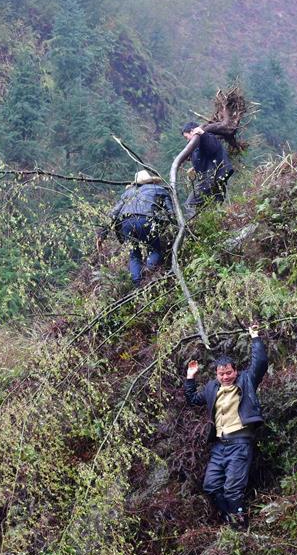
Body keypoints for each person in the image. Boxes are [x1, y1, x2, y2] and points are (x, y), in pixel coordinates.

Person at [184, 324, 268, 529]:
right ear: (216, 374)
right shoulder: (213, 388)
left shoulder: (246, 380)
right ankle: (229, 519)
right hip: (219, 445)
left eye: (228, 373)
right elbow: (194, 399)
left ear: (235, 371)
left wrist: (255, 336)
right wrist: (190, 377)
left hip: (240, 443)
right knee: (211, 486)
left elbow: (261, 363)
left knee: (232, 488)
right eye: (221, 374)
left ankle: (240, 527)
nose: (225, 377)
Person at [96, 169, 174, 287]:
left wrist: (102, 234)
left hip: (126, 223)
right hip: (146, 221)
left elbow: (114, 213)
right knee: (155, 250)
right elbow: (171, 212)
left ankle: (137, 285)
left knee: (134, 255)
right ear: (151, 181)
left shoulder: (128, 193)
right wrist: (177, 227)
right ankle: (148, 272)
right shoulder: (160, 190)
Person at [181, 121, 234, 218]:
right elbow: (207, 156)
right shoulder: (200, 143)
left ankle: (194, 227)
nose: (187, 140)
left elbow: (212, 147)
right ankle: (216, 227)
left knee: (190, 204)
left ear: (192, 131)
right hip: (216, 177)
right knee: (214, 206)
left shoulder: (206, 137)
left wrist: (202, 133)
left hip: (211, 178)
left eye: (186, 136)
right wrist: (194, 168)